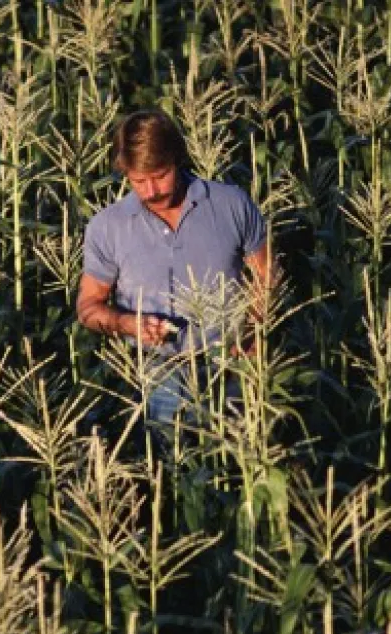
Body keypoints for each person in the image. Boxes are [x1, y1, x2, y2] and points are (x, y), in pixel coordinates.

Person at [75, 109, 275, 440]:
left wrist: (253, 330)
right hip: (156, 371)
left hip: (230, 368)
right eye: (139, 181)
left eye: (160, 175)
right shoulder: (107, 227)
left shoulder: (232, 205)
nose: (151, 190)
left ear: (178, 159)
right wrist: (128, 324)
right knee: (171, 468)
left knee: (234, 466)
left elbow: (267, 276)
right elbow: (88, 307)